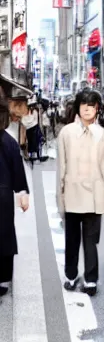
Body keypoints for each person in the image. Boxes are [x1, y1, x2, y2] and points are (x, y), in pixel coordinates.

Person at [57, 88, 104, 296]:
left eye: (92, 105)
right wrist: (60, 198)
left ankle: (91, 280)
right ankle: (71, 276)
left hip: (94, 196)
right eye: (84, 105)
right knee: (72, 240)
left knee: (91, 242)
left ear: (97, 108)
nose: (88, 109)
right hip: (71, 195)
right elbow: (61, 169)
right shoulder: (66, 133)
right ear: (78, 108)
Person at [0, 98, 29, 299]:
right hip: (3, 195)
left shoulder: (8, 141)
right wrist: (22, 194)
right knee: (3, 235)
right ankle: (2, 278)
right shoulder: (8, 141)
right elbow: (17, 170)